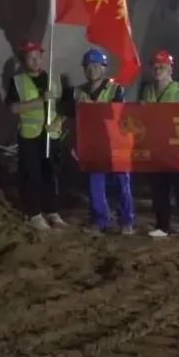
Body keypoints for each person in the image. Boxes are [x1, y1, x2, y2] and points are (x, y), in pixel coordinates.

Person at [66, 48, 134, 234]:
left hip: (115, 143)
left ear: (104, 68)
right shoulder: (77, 92)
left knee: (122, 183)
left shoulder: (116, 89)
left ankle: (126, 221)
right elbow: (73, 120)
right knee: (95, 183)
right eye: (88, 66)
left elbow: (118, 116)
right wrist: (74, 143)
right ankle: (99, 219)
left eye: (96, 66)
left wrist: (95, 108)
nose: (92, 70)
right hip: (92, 145)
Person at [5, 41, 68, 231]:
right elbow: (13, 108)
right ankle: (34, 214)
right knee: (31, 175)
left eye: (38, 57)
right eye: (30, 58)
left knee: (51, 174)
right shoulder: (17, 82)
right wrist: (39, 101)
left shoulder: (53, 79)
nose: (35, 61)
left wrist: (58, 122)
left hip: (51, 134)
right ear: (23, 60)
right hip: (29, 136)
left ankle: (52, 212)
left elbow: (65, 107)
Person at [138, 50, 179, 239]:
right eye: (155, 66)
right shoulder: (146, 90)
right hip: (156, 148)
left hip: (178, 148)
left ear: (170, 69)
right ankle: (162, 226)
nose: (158, 70)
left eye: (162, 66)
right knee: (159, 189)